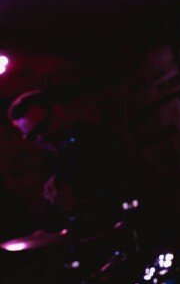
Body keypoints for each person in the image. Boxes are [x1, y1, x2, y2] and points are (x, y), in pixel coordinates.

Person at [5, 86, 139, 239]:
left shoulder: (99, 142)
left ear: (57, 111)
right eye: (31, 136)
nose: (41, 138)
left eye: (42, 127)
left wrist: (73, 206)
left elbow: (120, 205)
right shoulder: (54, 157)